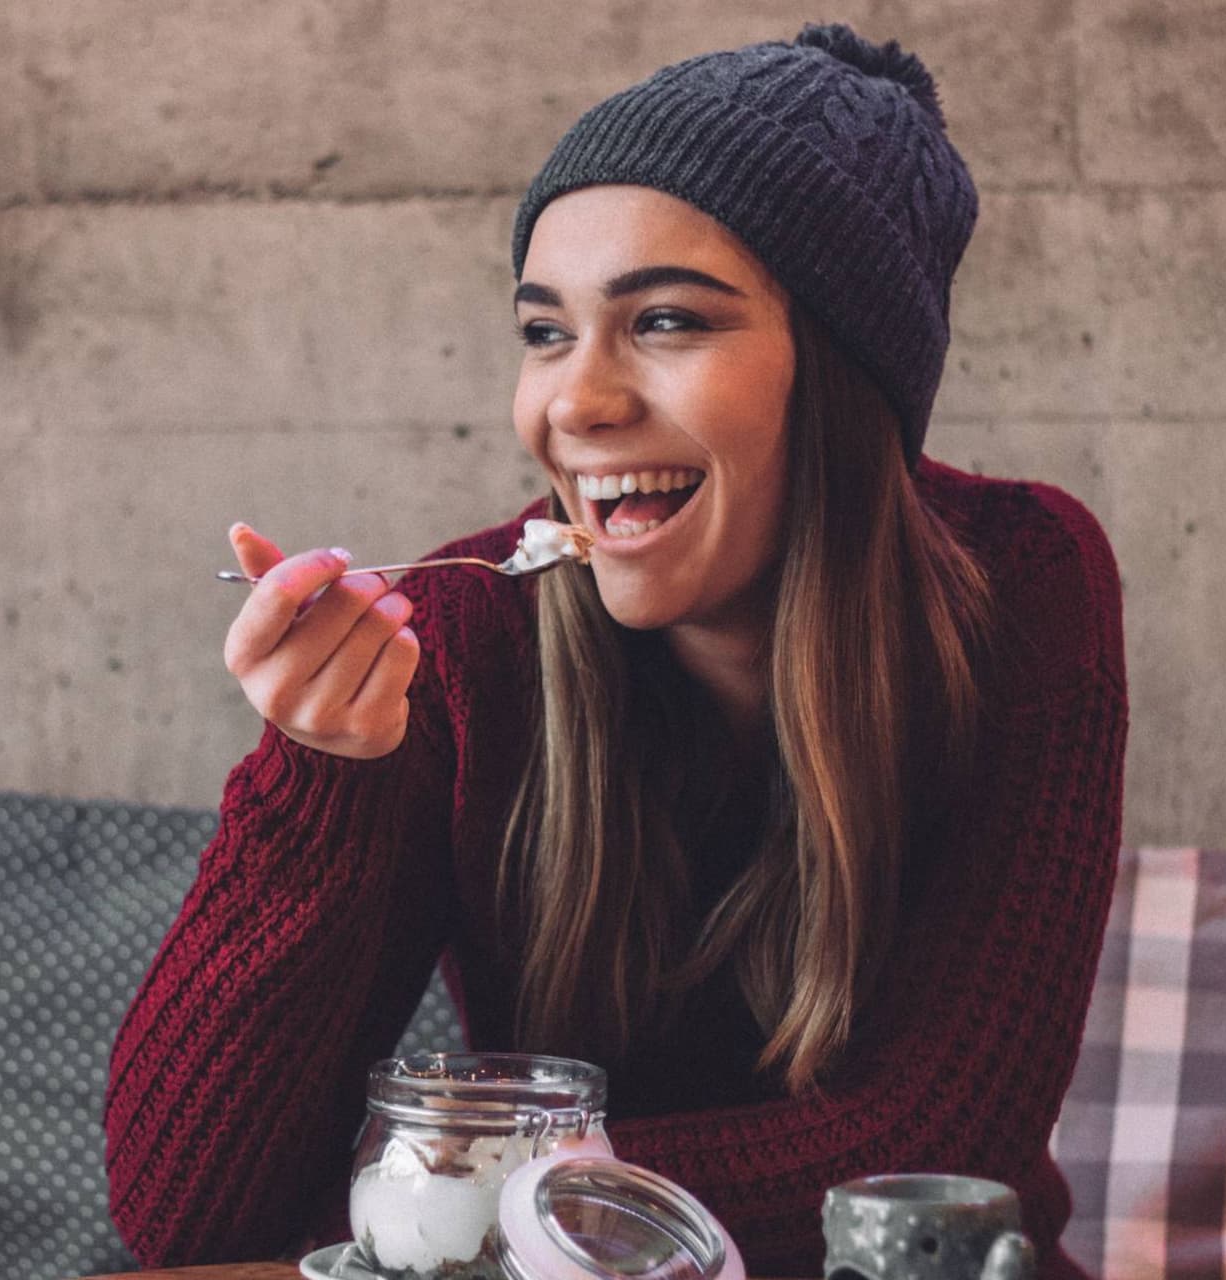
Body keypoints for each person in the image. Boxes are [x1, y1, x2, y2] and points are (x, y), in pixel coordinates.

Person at [106, 24, 1125, 1278]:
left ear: (842, 375)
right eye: (544, 332)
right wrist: (319, 777)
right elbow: (179, 1217)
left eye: (664, 321)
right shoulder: (466, 638)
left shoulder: (1020, 585)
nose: (575, 404)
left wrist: (463, 1214)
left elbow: (931, 1154)